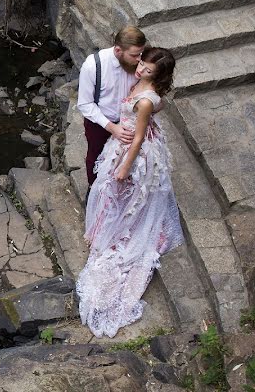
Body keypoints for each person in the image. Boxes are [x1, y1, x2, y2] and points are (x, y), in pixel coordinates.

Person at [76, 47, 185, 338]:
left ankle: (117, 231)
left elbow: (137, 138)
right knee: (111, 193)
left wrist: (125, 166)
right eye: (142, 65)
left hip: (132, 151)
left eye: (147, 71)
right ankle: (106, 227)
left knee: (123, 191)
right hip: (124, 140)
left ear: (157, 75)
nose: (140, 71)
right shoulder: (146, 90)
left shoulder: (147, 100)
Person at [76, 26, 146, 187]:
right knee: (95, 156)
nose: (139, 59)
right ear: (118, 50)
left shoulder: (139, 63)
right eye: (135, 55)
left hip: (130, 122)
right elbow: (85, 104)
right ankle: (94, 190)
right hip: (99, 123)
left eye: (141, 53)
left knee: (127, 158)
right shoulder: (93, 66)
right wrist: (112, 128)